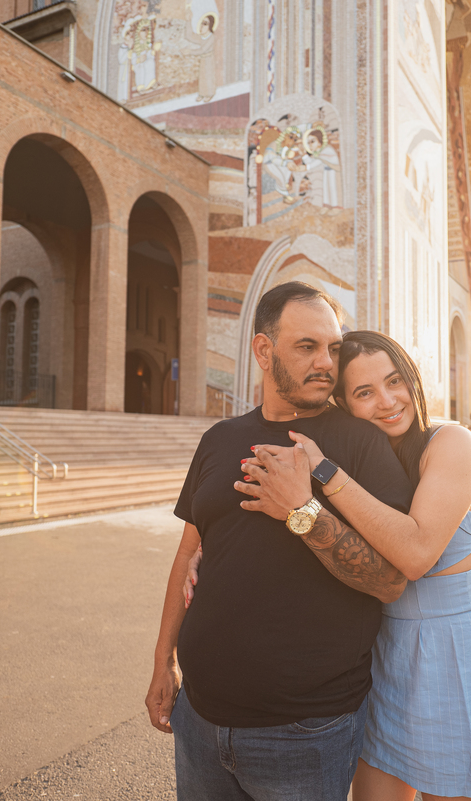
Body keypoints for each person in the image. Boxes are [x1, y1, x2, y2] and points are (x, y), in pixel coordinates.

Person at [227, 330, 471, 800]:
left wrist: (325, 470)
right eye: (365, 392)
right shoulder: (366, 461)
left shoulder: (451, 443)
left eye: (394, 381)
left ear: (412, 381)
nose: (387, 401)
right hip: (382, 655)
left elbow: (413, 554)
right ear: (344, 403)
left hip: (452, 650)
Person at [145, 282, 415, 801]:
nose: (326, 363)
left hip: (304, 733)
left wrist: (302, 513)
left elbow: (390, 580)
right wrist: (164, 661)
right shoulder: (218, 439)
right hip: (199, 719)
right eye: (307, 347)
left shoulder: (361, 444)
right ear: (264, 350)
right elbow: (187, 553)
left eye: (333, 348)